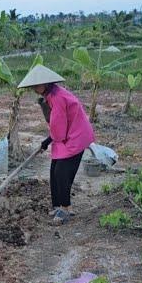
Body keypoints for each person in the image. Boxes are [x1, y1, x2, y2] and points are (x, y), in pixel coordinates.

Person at [17, 65, 95, 225]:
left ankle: (65, 209)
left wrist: (49, 140)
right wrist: (47, 141)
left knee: (62, 173)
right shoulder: (52, 94)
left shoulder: (57, 98)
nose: (34, 89)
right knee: (54, 171)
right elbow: (58, 128)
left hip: (75, 136)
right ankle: (57, 205)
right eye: (33, 86)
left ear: (46, 84)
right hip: (67, 135)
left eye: (36, 86)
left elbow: (58, 129)